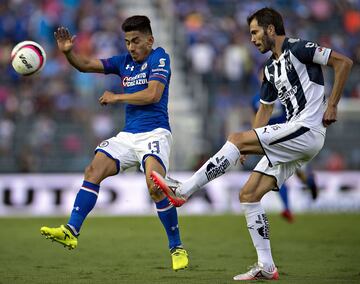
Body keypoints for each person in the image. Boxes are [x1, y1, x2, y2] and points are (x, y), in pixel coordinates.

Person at [151, 7, 352, 280]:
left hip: (307, 128)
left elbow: (344, 62)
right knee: (248, 195)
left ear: (270, 29)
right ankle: (267, 266)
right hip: (293, 136)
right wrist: (248, 144)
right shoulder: (269, 69)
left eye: (255, 32)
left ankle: (184, 191)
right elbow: (265, 109)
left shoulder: (300, 48)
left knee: (235, 138)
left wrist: (333, 106)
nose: (253, 39)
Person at [40, 15, 189, 271]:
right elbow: (85, 64)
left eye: (136, 41)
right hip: (128, 135)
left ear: (150, 40)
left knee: (155, 187)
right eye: (127, 42)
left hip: (155, 133)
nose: (131, 47)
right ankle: (71, 231)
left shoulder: (160, 57)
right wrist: (68, 53)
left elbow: (154, 94)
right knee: (93, 170)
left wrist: (117, 97)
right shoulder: (124, 63)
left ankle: (176, 247)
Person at [251, 83, 319, 223]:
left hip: (288, 136)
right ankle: (287, 208)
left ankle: (310, 182)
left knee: (298, 174)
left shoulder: (282, 95)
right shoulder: (255, 100)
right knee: (277, 176)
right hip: (271, 140)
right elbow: (258, 119)